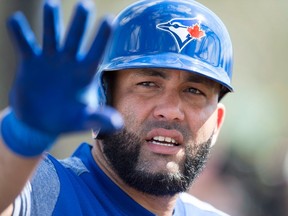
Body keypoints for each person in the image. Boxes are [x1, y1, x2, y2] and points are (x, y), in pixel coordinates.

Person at [0, 0, 234, 215]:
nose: (171, 110)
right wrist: (20, 133)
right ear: (103, 99)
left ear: (217, 124)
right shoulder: (44, 190)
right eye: (148, 84)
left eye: (194, 91)